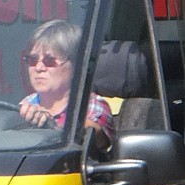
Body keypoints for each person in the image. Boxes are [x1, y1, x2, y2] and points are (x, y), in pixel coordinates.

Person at [18, 19, 115, 149]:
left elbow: (91, 135)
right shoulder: (26, 105)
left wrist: (50, 125)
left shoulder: (89, 104)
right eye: (32, 60)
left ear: (76, 65)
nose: (38, 67)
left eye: (49, 60)